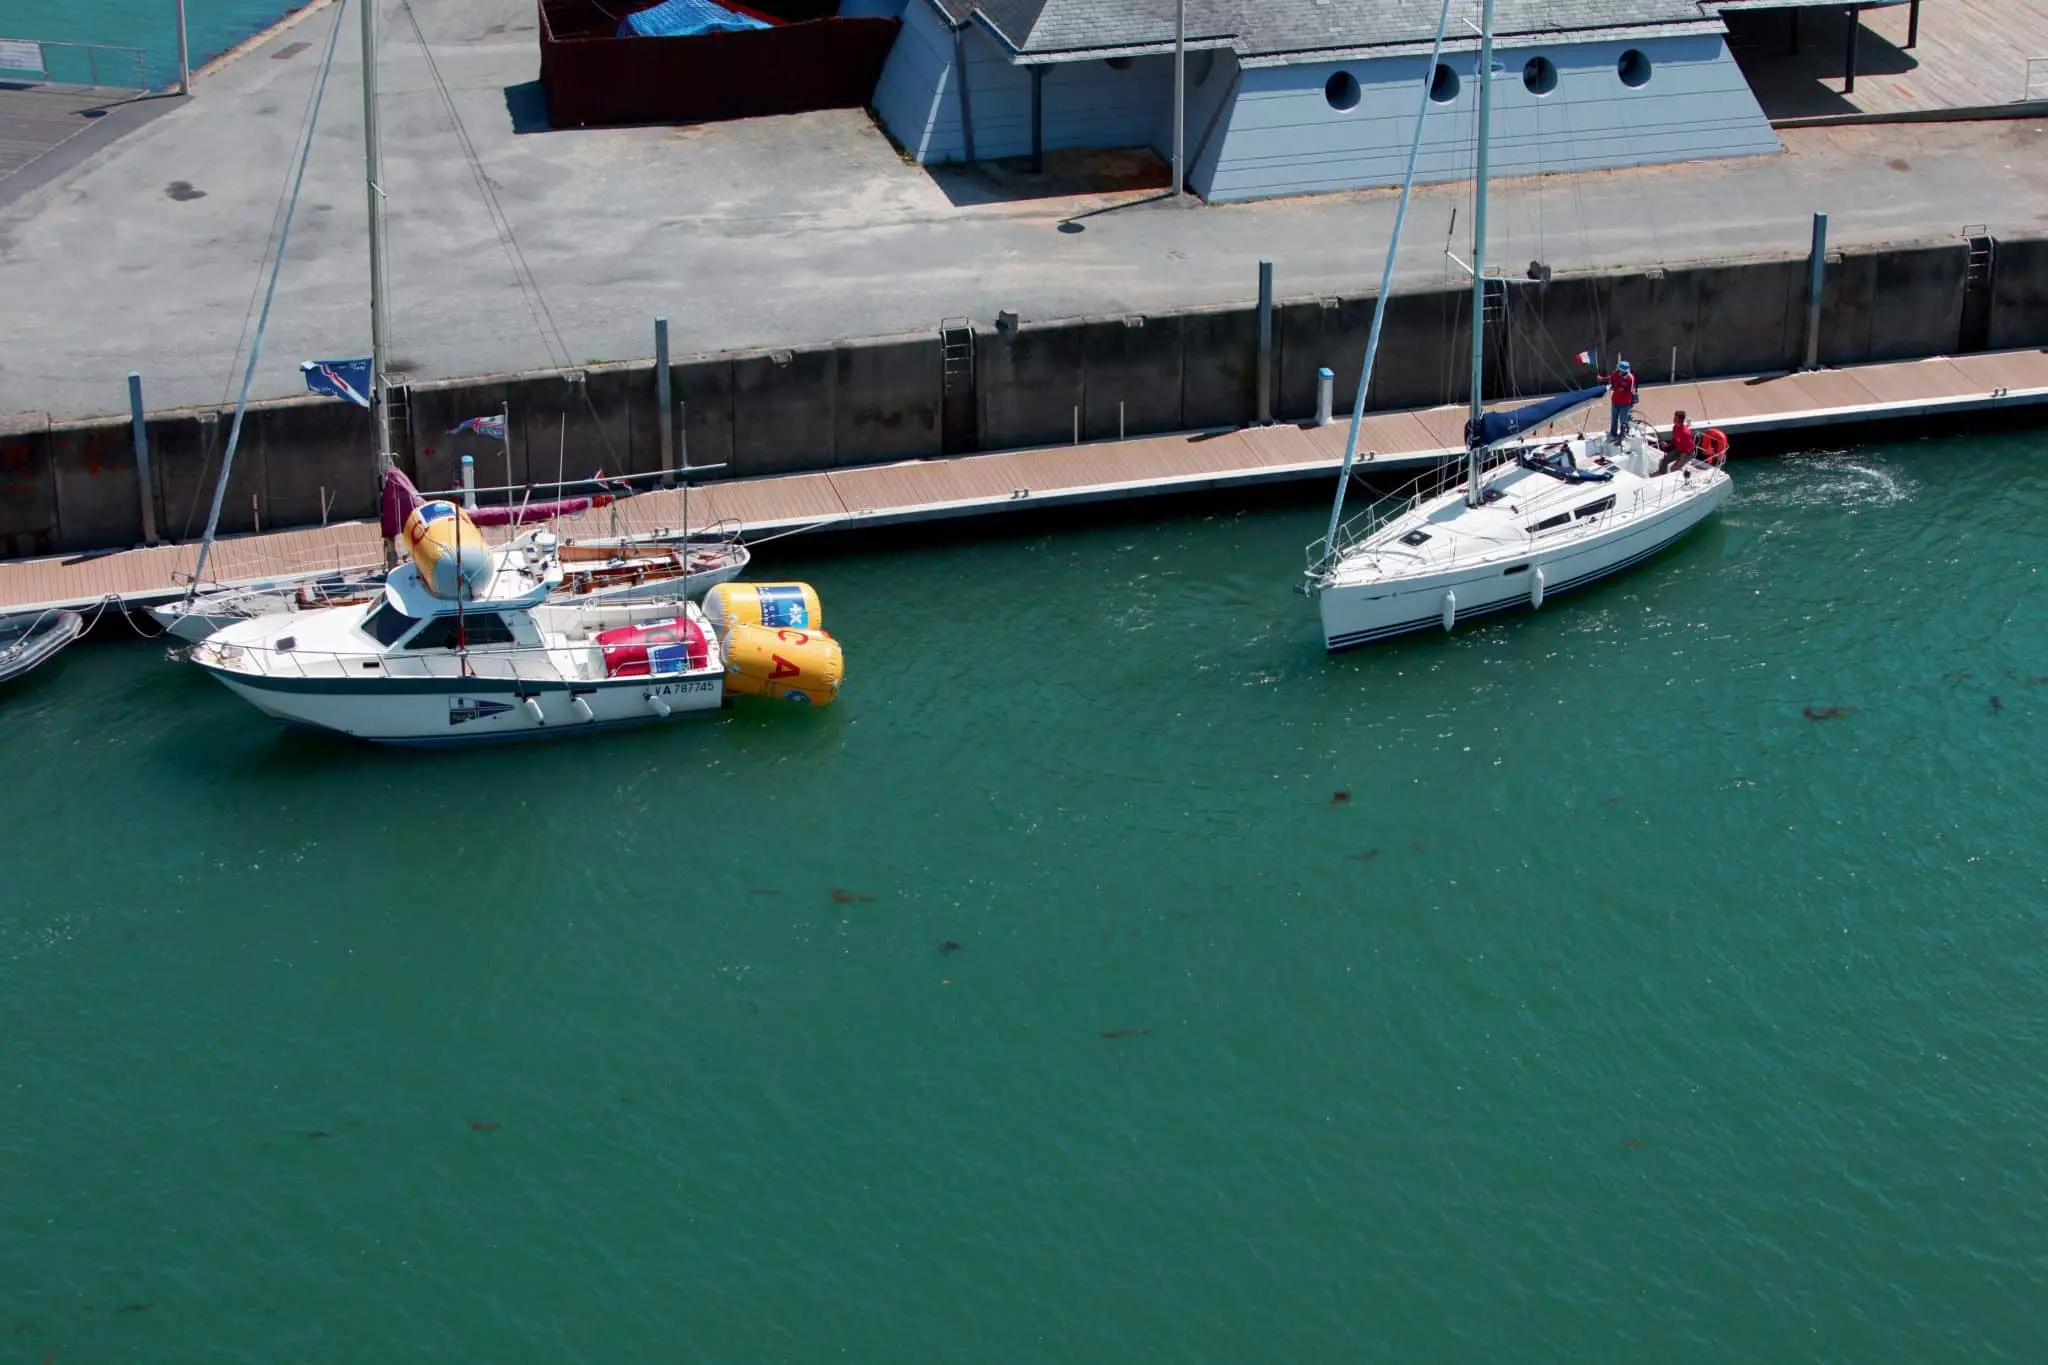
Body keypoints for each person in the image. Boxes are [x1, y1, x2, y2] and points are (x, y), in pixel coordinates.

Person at [1594, 359, 1636, 440]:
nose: (1618, 371)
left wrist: (1622, 388)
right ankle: (1613, 434)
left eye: (1620, 370)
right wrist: (1602, 378)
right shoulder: (1617, 373)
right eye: (1618, 369)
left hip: (1625, 403)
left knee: (1623, 420)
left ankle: (1623, 434)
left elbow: (1630, 390)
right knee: (1614, 419)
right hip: (1615, 401)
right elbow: (1611, 377)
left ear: (1624, 371)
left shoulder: (1630, 378)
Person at [1655, 410, 1695, 475]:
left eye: (1675, 418)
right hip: (1679, 449)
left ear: (1680, 420)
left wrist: (1679, 462)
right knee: (1663, 461)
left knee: (1673, 469)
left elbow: (1687, 450)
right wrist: (1667, 445)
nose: (1673, 419)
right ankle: (1662, 474)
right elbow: (1674, 441)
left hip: (1687, 453)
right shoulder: (1675, 427)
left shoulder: (1686, 433)